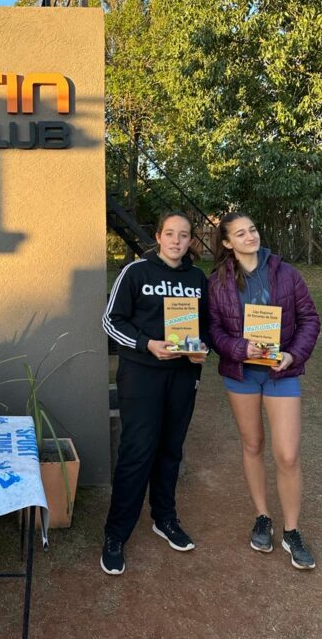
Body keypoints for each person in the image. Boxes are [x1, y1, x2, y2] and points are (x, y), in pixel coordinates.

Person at [208, 212, 320, 570]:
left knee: (287, 455)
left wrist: (292, 354)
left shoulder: (286, 273)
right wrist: (241, 348)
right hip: (241, 375)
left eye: (253, 229)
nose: (250, 236)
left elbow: (310, 319)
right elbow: (213, 330)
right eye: (240, 233)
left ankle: (292, 530)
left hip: (280, 373)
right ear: (228, 243)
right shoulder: (218, 281)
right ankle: (262, 517)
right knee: (253, 445)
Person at [101, 211, 209, 575]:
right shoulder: (136, 272)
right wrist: (146, 344)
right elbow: (111, 321)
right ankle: (116, 533)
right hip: (142, 374)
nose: (177, 240)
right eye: (170, 233)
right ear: (159, 236)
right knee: (137, 451)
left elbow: (206, 326)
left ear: (190, 240)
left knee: (171, 449)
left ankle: (164, 518)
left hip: (183, 375)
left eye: (184, 235)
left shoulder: (197, 279)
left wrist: (202, 348)